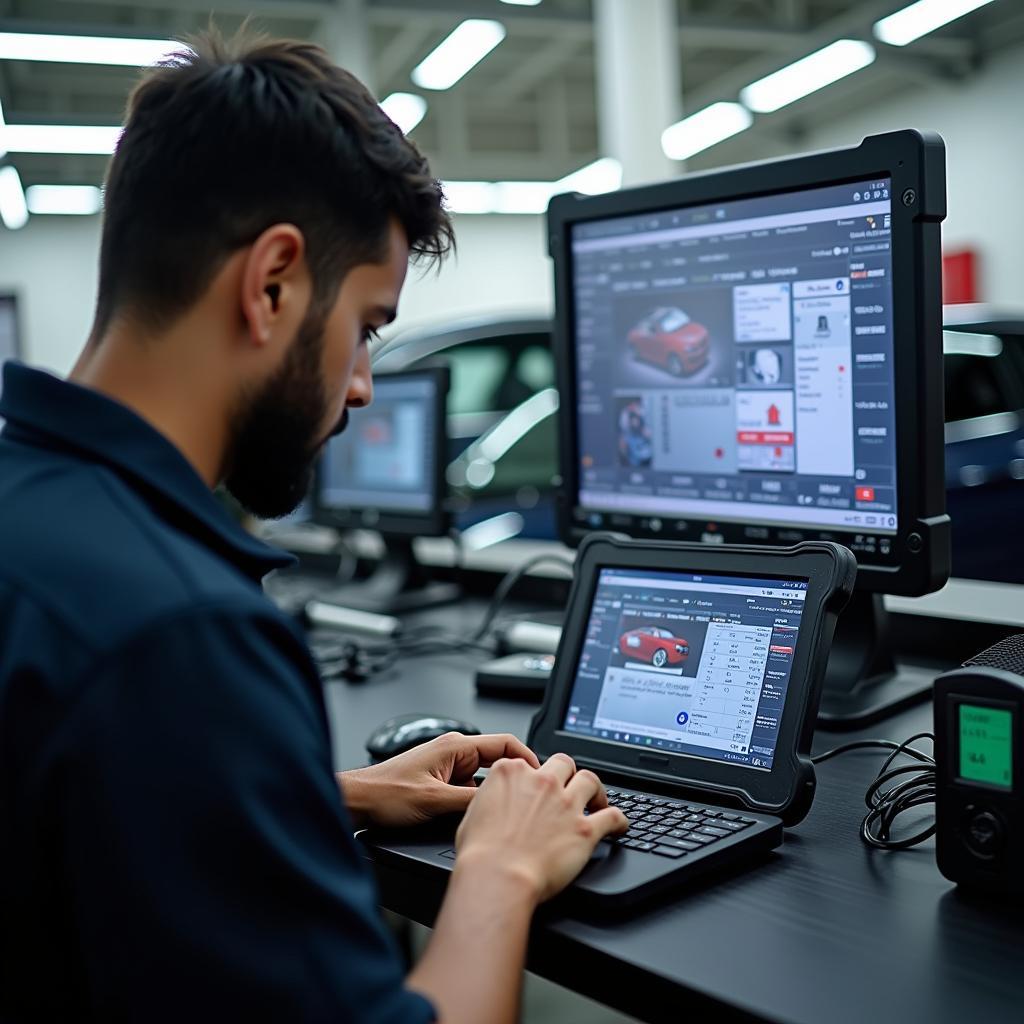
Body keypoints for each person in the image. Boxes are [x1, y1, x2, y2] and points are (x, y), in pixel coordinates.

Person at [0, 28, 627, 1024]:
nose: (367, 385)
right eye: (368, 327)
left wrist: (323, 793)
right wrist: (500, 871)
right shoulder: (179, 634)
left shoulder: (28, 502)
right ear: (274, 283)